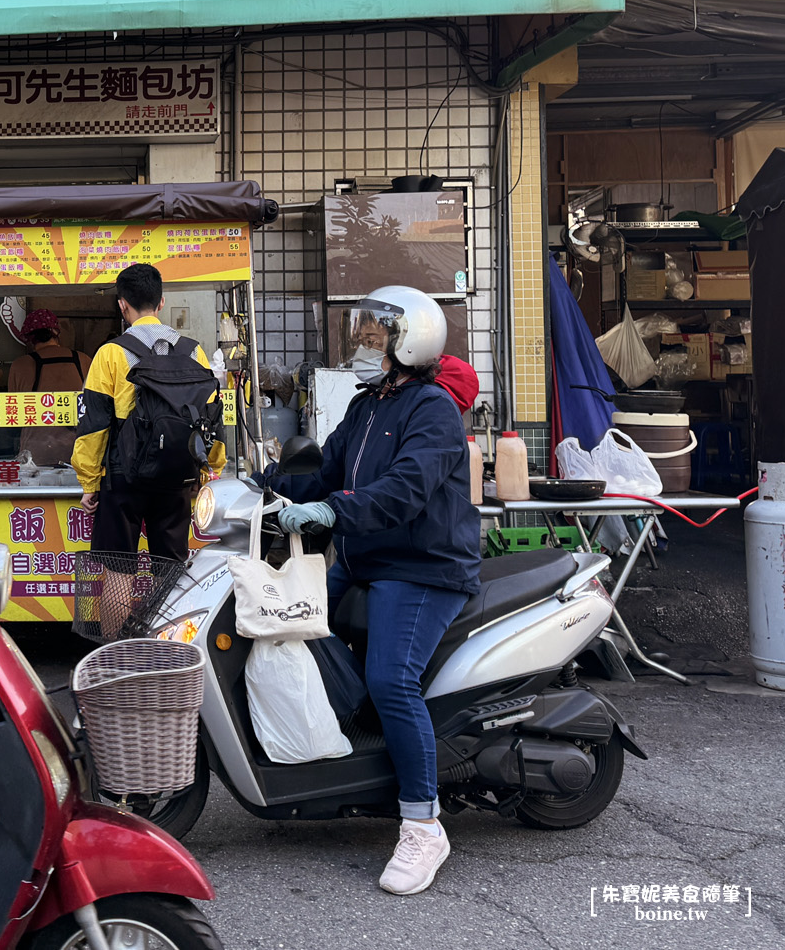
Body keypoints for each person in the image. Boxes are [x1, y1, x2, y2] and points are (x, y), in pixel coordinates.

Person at [267, 285, 480, 897]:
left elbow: (405, 491)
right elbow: (325, 470)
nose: (362, 337)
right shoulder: (367, 406)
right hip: (366, 557)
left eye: (374, 330)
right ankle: (355, 753)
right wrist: (265, 485)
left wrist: (332, 513)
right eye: (362, 327)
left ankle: (422, 822)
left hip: (420, 564)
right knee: (292, 622)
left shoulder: (432, 409)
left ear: (408, 340)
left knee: (392, 679)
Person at [72, 263, 226, 565]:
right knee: (169, 569)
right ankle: (166, 615)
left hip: (123, 477)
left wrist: (90, 484)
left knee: (118, 568)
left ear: (122, 305)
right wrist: (211, 469)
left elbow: (95, 424)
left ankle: (123, 615)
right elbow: (210, 418)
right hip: (177, 475)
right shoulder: (193, 352)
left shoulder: (111, 353)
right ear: (161, 303)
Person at [6, 308, 92, 467]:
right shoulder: (84, 360)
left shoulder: (20, 366)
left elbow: (13, 417)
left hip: (36, 456)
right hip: (79, 453)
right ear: (56, 333)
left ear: (30, 338)